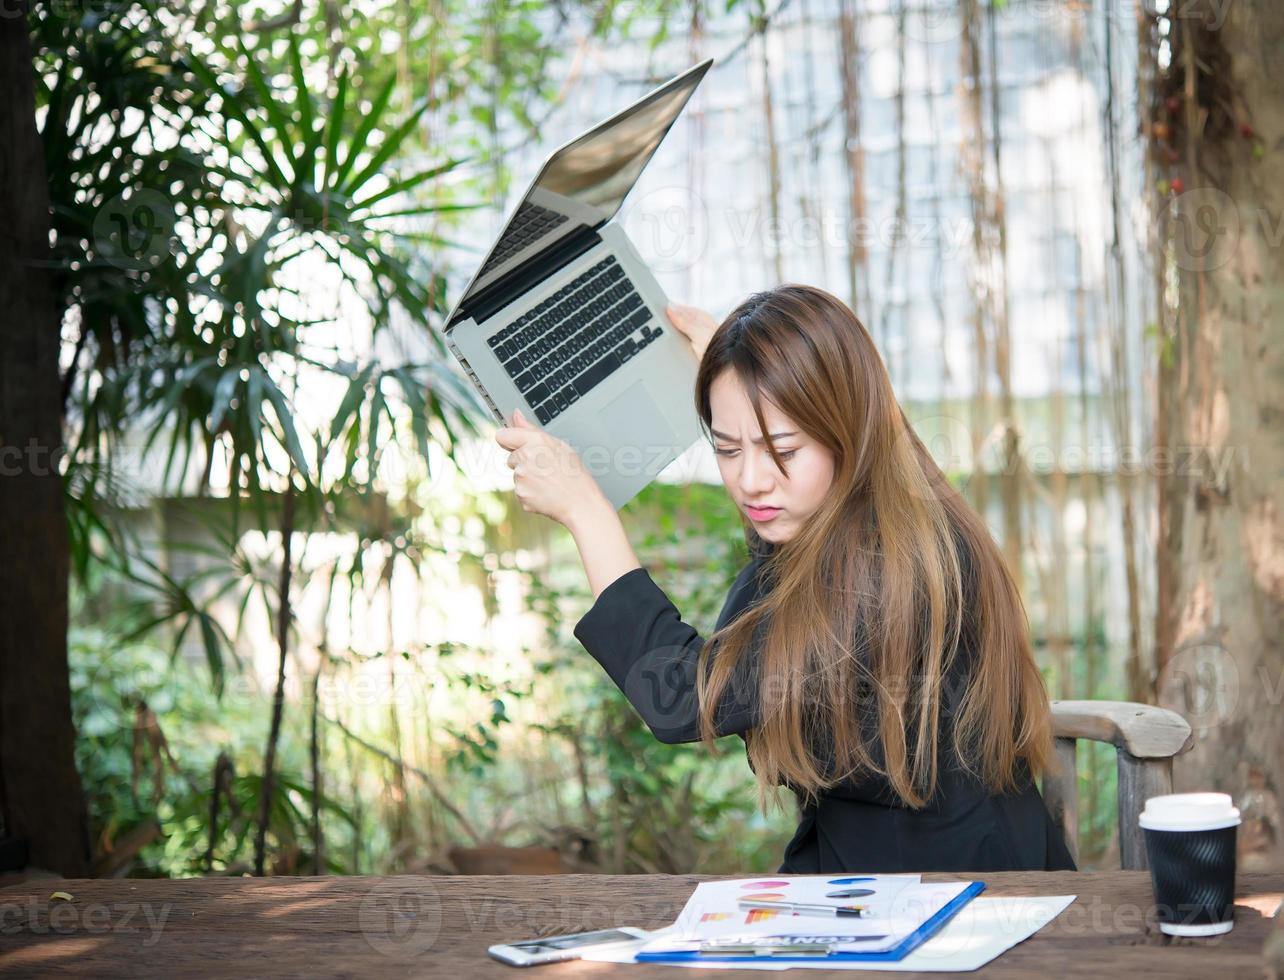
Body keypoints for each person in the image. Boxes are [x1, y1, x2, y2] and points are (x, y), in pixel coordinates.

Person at [494, 285, 1077, 873]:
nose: (750, 481)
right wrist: (744, 378)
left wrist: (586, 511)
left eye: (782, 450)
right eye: (726, 447)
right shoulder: (878, 501)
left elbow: (678, 696)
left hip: (953, 893)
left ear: (846, 432)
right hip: (862, 865)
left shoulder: (878, 572)